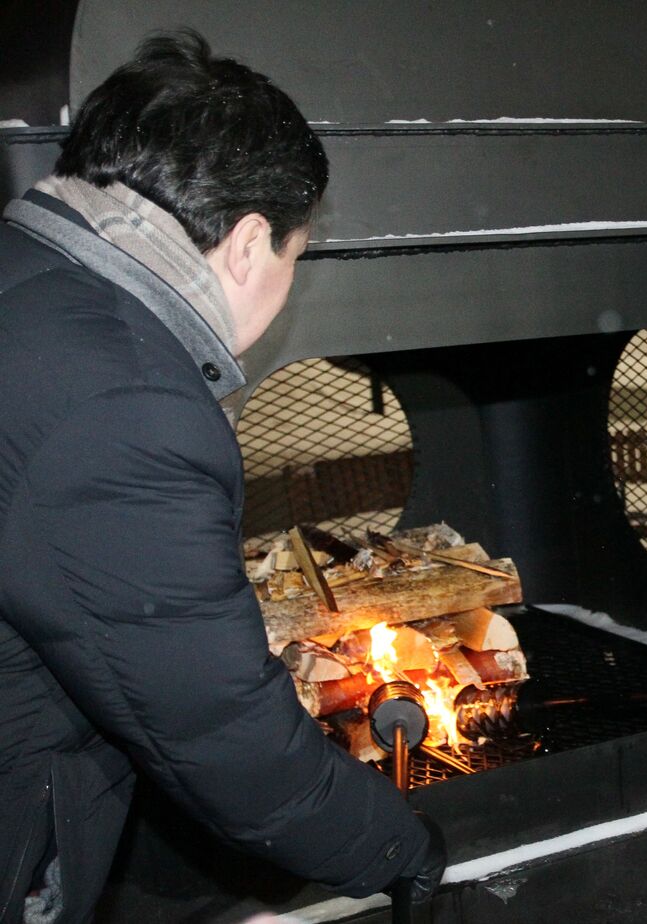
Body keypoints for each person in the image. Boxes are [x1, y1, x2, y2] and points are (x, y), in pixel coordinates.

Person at [0, 33, 443, 923]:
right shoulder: (125, 401)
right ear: (248, 244)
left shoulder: (32, 281)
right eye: (295, 257)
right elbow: (223, 738)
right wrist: (399, 846)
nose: (287, 282)